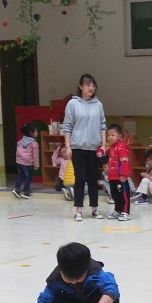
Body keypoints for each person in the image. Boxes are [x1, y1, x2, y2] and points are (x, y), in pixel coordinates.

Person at [61, 73, 107, 222]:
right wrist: (68, 147)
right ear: (80, 86)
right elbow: (67, 127)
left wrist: (103, 145)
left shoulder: (98, 105)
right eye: (88, 85)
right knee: (80, 179)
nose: (91, 88)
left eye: (93, 85)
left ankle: (94, 209)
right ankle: (79, 211)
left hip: (94, 148)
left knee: (93, 179)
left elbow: (102, 126)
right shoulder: (72, 104)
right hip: (77, 148)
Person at [104, 124, 132, 221]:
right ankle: (118, 210)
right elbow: (105, 155)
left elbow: (124, 161)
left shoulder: (121, 147)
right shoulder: (111, 148)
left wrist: (124, 174)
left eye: (113, 135)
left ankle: (126, 212)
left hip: (120, 177)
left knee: (123, 195)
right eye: (108, 135)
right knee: (115, 195)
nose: (110, 137)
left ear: (119, 136)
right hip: (112, 177)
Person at [12, 123, 40, 199]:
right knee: (28, 178)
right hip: (28, 164)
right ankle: (26, 192)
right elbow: (35, 155)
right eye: (36, 131)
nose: (37, 133)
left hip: (19, 163)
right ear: (31, 133)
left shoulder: (20, 142)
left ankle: (16, 189)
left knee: (21, 176)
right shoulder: (34, 143)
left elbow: (17, 152)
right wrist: (36, 165)